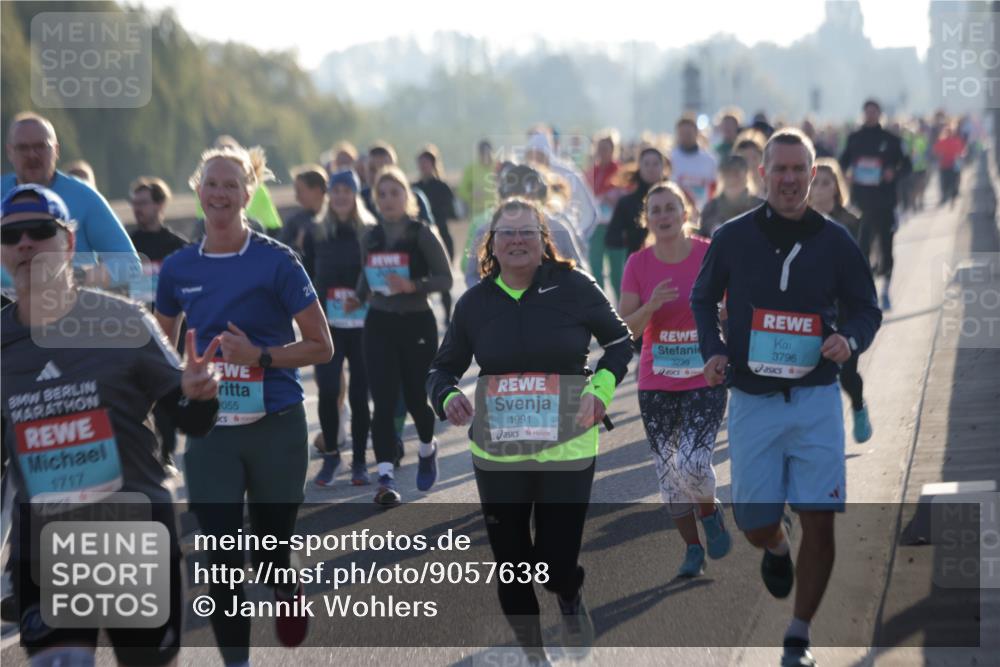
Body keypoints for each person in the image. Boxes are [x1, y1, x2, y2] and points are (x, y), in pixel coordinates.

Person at [1, 183, 220, 667]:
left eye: (40, 231)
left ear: (70, 243)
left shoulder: (122, 321)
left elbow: (190, 420)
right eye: (11, 234)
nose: (24, 244)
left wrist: (201, 393)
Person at [692, 129, 882, 667]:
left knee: (821, 519)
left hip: (816, 398)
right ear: (763, 174)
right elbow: (703, 298)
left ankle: (798, 636)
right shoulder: (731, 237)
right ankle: (776, 545)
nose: (792, 179)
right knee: (753, 522)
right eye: (781, 169)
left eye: (802, 170)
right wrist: (713, 348)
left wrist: (851, 339)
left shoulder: (835, 241)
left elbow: (867, 308)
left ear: (814, 173)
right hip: (753, 399)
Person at [427, 198, 632, 663]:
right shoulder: (475, 303)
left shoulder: (574, 287)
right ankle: (535, 656)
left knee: (556, 563)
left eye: (527, 232)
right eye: (507, 233)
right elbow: (441, 370)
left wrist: (600, 388)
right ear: (492, 245)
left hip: (568, 445)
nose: (517, 240)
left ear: (544, 242)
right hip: (500, 454)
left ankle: (568, 593)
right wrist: (446, 397)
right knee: (512, 564)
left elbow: (620, 341)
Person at [155, 144, 334, 662]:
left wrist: (260, 355)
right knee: (220, 555)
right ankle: (237, 661)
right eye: (211, 182)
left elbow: (322, 345)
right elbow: (161, 349)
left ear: (248, 194)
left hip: (276, 421)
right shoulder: (178, 268)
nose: (219, 193)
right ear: (198, 189)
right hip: (211, 428)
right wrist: (183, 376)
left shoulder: (277, 261)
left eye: (231, 184)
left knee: (270, 547)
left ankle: (284, 586)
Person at [618, 181, 731, 578]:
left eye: (671, 208)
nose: (663, 216)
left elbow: (735, 308)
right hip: (656, 380)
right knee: (668, 475)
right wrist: (651, 305)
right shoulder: (638, 264)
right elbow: (625, 329)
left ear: (686, 213)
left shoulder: (708, 253)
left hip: (705, 375)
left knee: (693, 461)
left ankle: (709, 510)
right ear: (646, 219)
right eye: (656, 210)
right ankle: (692, 549)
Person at [346, 165, 452, 506]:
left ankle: (426, 447)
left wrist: (413, 285)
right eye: (382, 194)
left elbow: (445, 279)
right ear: (375, 200)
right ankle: (386, 478)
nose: (389, 200)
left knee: (415, 398)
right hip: (378, 322)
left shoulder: (421, 233)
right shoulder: (371, 236)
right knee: (384, 401)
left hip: (416, 322)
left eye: (395, 192)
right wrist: (357, 297)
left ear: (407, 196)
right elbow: (366, 276)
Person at [2, 112, 139, 289]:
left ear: (56, 150)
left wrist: (75, 277)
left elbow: (129, 264)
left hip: (73, 311)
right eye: (22, 148)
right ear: (9, 152)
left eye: (40, 146)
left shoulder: (84, 196)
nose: (32, 155)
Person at [303, 169, 377, 486]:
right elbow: (304, 277)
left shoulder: (372, 231)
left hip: (362, 327)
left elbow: (379, 276)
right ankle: (331, 456)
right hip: (327, 327)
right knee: (328, 390)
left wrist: (363, 297)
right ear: (329, 195)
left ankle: (359, 461)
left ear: (356, 195)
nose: (342, 196)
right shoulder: (316, 231)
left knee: (360, 395)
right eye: (337, 191)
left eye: (348, 191)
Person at [808, 158, 874, 445]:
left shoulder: (851, 222)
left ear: (836, 187)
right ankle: (824, 436)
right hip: (812, 311)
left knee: (847, 373)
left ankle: (859, 407)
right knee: (817, 377)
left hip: (845, 311)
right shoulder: (798, 221)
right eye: (815, 182)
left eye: (826, 182)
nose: (820, 189)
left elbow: (860, 269)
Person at [129, 176, 190, 468]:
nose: (137, 209)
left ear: (160, 204)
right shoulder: (126, 244)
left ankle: (166, 452)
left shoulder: (178, 247)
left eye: (143, 203)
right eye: (134, 203)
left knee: (167, 389)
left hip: (171, 328)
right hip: (133, 329)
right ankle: (144, 450)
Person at [463, 163, 588, 289]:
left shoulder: (559, 230)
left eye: (526, 200)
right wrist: (490, 298)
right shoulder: (486, 231)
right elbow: (472, 276)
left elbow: (580, 275)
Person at [839, 99, 906, 311]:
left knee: (886, 247)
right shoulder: (854, 138)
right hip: (860, 204)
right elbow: (841, 163)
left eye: (874, 112)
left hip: (885, 202)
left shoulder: (891, 139)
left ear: (880, 114)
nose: (870, 115)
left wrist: (892, 172)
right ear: (863, 114)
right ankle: (868, 293)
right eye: (867, 112)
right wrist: (847, 175)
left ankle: (886, 289)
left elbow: (908, 164)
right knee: (862, 248)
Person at [605, 146, 668, 297]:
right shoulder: (627, 202)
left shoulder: (674, 199)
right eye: (646, 164)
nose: (651, 168)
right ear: (639, 168)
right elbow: (611, 238)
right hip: (639, 268)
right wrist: (628, 239)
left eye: (655, 164)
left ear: (663, 168)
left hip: (670, 264)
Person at [194, 134, 284, 235]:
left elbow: (271, 219)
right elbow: (201, 215)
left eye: (230, 186)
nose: (219, 193)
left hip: (259, 229)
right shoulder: (203, 187)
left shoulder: (258, 187)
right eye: (212, 184)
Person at [413, 145, 459, 323]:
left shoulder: (442, 187)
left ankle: (448, 317)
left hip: (442, 235)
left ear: (433, 164)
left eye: (426, 162)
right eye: (421, 162)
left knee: (443, 277)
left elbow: (452, 212)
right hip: (420, 238)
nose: (423, 166)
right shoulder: (414, 188)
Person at [586, 130, 623, 296]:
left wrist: (613, 199)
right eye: (600, 148)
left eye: (606, 148)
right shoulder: (591, 172)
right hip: (597, 226)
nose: (602, 152)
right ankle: (600, 302)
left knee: (617, 272)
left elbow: (625, 196)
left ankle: (623, 309)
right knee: (595, 266)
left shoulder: (620, 171)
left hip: (616, 226)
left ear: (613, 150)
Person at [699, 154, 764, 237]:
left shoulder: (759, 207)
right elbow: (703, 242)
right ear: (721, 177)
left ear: (746, 176)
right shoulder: (710, 209)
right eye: (727, 173)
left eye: (736, 173)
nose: (731, 179)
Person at [670, 115, 718, 213]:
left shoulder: (709, 160)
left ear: (696, 133)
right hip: (679, 212)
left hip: (704, 212)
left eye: (689, 133)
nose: (685, 137)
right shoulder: (671, 159)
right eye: (682, 133)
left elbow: (714, 187)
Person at [281, 164, 327, 254]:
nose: (297, 197)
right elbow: (279, 250)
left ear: (317, 191)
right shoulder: (294, 223)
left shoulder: (336, 218)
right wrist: (297, 245)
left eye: (300, 191)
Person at [458, 139, 498, 219]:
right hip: (477, 213)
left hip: (496, 212)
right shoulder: (471, 169)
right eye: (483, 153)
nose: (486, 156)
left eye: (488, 153)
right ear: (479, 154)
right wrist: (471, 195)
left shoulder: (498, 167)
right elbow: (461, 191)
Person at [932, 124, 966, 208]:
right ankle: (944, 198)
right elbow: (935, 151)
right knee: (944, 183)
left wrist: (959, 156)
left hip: (954, 166)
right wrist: (939, 155)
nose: (949, 133)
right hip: (944, 165)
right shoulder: (941, 141)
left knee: (954, 183)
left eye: (950, 132)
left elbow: (962, 151)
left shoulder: (957, 141)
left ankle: (953, 200)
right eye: (947, 132)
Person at [734, 129, 767, 196]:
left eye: (754, 158)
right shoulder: (731, 191)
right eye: (745, 158)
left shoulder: (771, 190)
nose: (750, 163)